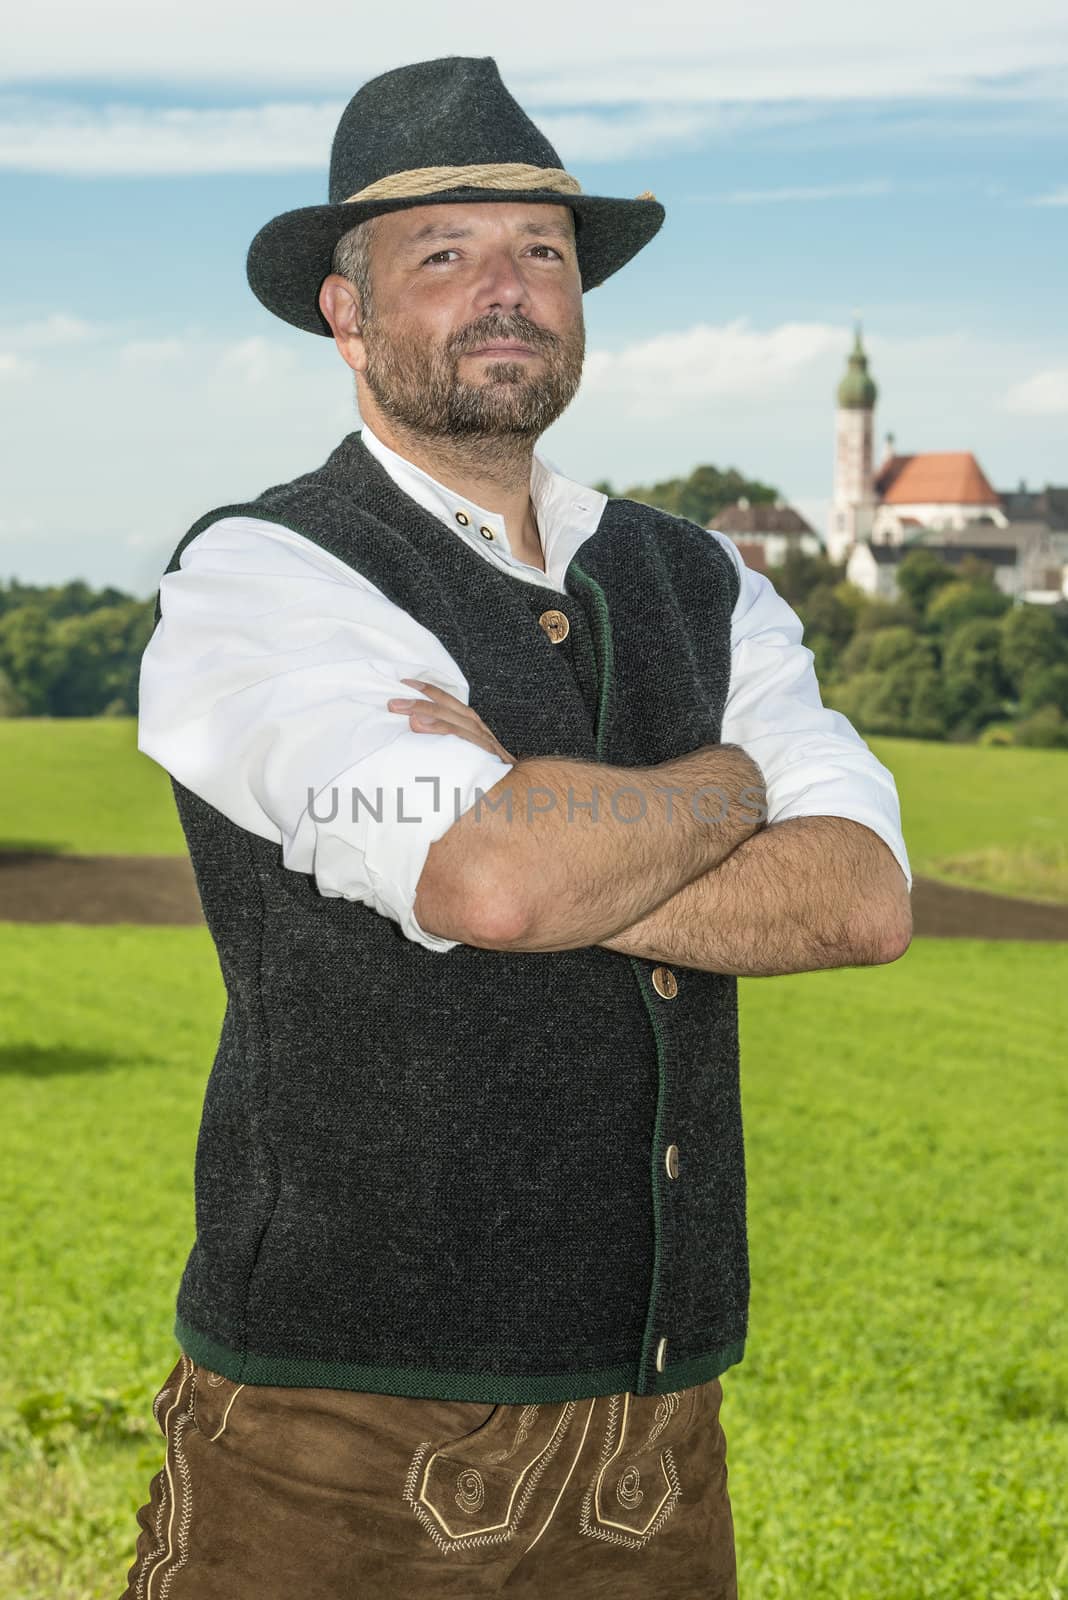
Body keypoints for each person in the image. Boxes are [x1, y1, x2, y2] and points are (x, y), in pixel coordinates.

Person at [122, 53, 912, 1600]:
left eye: (542, 252)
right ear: (345, 313)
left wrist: (576, 820)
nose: (509, 290)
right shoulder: (262, 581)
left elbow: (863, 902)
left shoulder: (707, 580)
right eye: (446, 255)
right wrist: (731, 786)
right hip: (338, 1431)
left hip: (655, 1443)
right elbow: (493, 878)